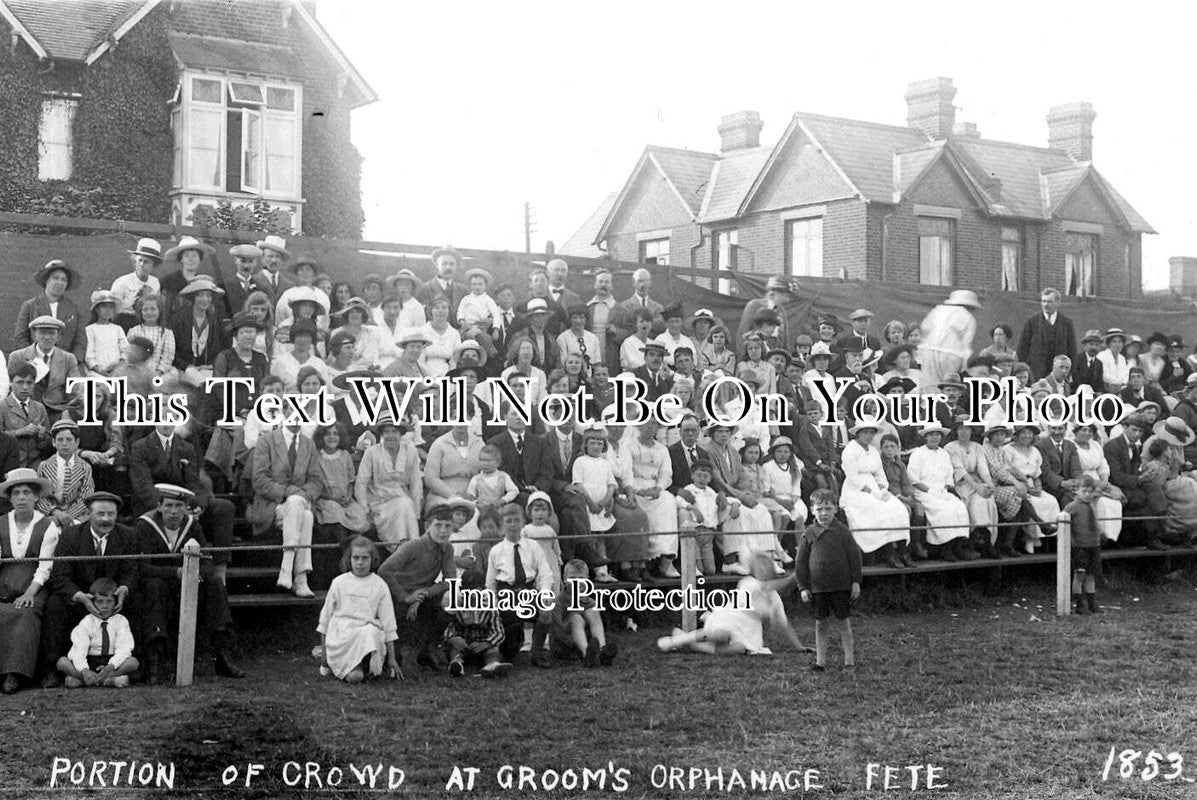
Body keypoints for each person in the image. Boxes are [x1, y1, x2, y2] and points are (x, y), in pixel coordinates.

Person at [134, 484, 242, 684]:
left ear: (185, 507)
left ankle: (221, 656)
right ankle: (154, 663)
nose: (174, 512)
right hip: (159, 585)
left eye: (178, 506)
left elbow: (206, 560)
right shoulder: (145, 525)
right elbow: (142, 567)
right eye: (168, 506)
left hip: (186, 583)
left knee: (215, 582)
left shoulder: (191, 524)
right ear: (159, 506)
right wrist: (175, 572)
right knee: (154, 587)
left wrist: (197, 573)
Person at [39, 491, 138, 688]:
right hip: (80, 599)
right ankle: (52, 669)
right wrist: (79, 596)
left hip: (114, 600)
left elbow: (132, 571)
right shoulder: (70, 536)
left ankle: (139, 666)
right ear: (88, 514)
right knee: (54, 603)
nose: (106, 519)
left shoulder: (128, 535)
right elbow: (60, 576)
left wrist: (124, 590)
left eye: (111, 514)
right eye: (100, 514)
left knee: (141, 598)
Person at [657, 552, 810, 656]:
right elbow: (767, 587)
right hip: (730, 617)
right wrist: (791, 579)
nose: (763, 570)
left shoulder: (775, 598)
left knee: (740, 648)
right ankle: (676, 641)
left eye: (766, 566)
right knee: (722, 635)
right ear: (753, 570)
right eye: (759, 566)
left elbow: (784, 625)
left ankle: (693, 644)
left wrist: (799, 647)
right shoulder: (748, 582)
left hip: (749, 629)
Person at [377, 504, 457, 680]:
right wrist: (406, 597)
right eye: (438, 525)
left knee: (453, 600)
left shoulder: (447, 548)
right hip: (397, 597)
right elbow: (384, 571)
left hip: (421, 597)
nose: (443, 531)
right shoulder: (413, 546)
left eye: (448, 526)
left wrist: (423, 595)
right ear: (427, 526)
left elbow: (451, 581)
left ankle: (428, 649)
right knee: (393, 658)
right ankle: (396, 654)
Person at [0, 468, 60, 694]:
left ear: (36, 497)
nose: (22, 498)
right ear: (10, 497)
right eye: (16, 493)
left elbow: (45, 567)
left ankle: (14, 674)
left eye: (26, 492)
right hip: (4, 582)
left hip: (33, 585)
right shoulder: (0, 523)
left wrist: (29, 593)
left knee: (25, 612)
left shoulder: (48, 526)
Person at [249, 421, 323, 597]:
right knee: (307, 517)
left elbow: (316, 481)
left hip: (299, 501)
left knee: (298, 504)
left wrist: (302, 494)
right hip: (272, 504)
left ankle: (287, 568)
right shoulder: (266, 441)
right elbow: (259, 480)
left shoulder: (308, 444)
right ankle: (301, 578)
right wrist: (288, 492)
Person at [318, 536, 399, 683]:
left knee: (372, 631)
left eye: (365, 558)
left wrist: (392, 658)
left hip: (365, 632)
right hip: (342, 635)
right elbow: (325, 620)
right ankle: (353, 667)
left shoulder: (379, 585)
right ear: (349, 559)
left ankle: (366, 664)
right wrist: (324, 655)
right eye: (356, 558)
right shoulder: (339, 582)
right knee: (355, 677)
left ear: (372, 560)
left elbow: (388, 622)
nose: (360, 563)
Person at [796, 489, 861, 671]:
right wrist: (803, 587)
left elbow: (854, 557)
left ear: (835, 509)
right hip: (818, 588)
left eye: (828, 508)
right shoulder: (809, 533)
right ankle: (820, 662)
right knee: (820, 623)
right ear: (812, 510)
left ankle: (849, 661)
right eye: (819, 509)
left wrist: (855, 581)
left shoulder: (842, 532)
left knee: (843, 622)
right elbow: (800, 562)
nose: (824, 513)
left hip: (841, 586)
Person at [484, 503, 554, 666]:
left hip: (528, 590)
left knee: (546, 610)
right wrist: (492, 606)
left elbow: (545, 573)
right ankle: (509, 650)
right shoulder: (497, 551)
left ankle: (537, 653)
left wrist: (544, 594)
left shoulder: (533, 546)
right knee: (510, 649)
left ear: (523, 522)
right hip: (506, 593)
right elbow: (490, 583)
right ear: (502, 525)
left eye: (516, 520)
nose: (513, 525)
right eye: (509, 521)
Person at [839, 420, 911, 559]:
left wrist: (883, 489)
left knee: (898, 507)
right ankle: (889, 554)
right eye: (865, 432)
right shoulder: (850, 450)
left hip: (875, 487)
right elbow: (853, 479)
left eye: (871, 432)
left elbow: (880, 474)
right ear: (858, 434)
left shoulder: (873, 450)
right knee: (879, 510)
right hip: (855, 491)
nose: (869, 435)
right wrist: (872, 493)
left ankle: (902, 552)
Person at [907, 424, 975, 561]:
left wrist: (945, 488)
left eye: (937, 434)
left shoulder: (944, 453)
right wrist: (930, 491)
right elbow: (913, 478)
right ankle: (946, 549)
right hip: (924, 492)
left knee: (959, 507)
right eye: (931, 434)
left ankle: (957, 546)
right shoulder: (918, 453)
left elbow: (949, 475)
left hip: (942, 491)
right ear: (925, 437)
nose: (934, 437)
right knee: (944, 510)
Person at [56, 577, 137, 689]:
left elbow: (124, 647)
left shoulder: (121, 621)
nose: (104, 606)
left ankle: (96, 679)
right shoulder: (87, 622)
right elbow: (79, 649)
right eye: (100, 601)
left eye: (109, 601)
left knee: (133, 662)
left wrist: (111, 666)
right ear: (92, 602)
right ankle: (95, 679)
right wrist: (84, 670)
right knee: (62, 662)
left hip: (111, 662)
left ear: (116, 602)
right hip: (89, 662)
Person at [355, 414, 422, 548]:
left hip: (403, 498)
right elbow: (361, 482)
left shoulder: (411, 452)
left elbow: (416, 481)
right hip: (379, 502)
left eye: (394, 431)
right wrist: (364, 507)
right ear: (382, 434)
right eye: (387, 432)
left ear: (401, 433)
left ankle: (410, 548)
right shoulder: (372, 452)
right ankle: (402, 548)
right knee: (404, 505)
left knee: (406, 505)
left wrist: (417, 509)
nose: (391, 435)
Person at [8, 315, 82, 420]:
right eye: (42, 332)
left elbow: (75, 390)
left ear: (58, 336)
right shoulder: (17, 357)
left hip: (57, 412)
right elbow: (12, 388)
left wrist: (68, 413)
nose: (47, 337)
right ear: (34, 335)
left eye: (52, 333)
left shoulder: (68, 359)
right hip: (27, 411)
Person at [14, 260, 86, 364]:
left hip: (65, 365)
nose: (60, 283)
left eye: (64, 280)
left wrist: (72, 362)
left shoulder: (74, 308)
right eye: (55, 278)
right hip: (34, 366)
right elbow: (20, 337)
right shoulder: (30, 306)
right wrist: (34, 361)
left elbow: (81, 340)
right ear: (46, 280)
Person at [944, 424, 1000, 558]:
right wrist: (977, 487)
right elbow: (960, 470)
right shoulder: (950, 447)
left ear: (972, 431)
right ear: (956, 431)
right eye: (960, 429)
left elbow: (982, 467)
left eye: (967, 428)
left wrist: (989, 484)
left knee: (986, 501)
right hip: (961, 484)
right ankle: (970, 542)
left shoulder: (977, 447)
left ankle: (987, 542)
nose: (964, 432)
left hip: (977, 482)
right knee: (975, 504)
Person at [443, 569, 510, 678]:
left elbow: (498, 631)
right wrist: (453, 638)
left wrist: (486, 643)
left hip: (483, 644)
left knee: (494, 649)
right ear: (462, 590)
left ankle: (491, 666)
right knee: (454, 648)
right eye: (467, 591)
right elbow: (448, 627)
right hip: (463, 643)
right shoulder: (455, 605)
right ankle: (456, 665)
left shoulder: (489, 606)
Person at [549, 559, 616, 667]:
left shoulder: (590, 601)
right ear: (564, 578)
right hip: (564, 644)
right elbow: (556, 629)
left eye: (581, 578)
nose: (577, 582)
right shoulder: (559, 601)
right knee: (576, 617)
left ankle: (602, 651)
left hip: (584, 640)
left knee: (592, 611)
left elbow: (596, 624)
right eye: (572, 578)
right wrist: (570, 643)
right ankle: (588, 656)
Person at [312, 424, 370, 537]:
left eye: (335, 434)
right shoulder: (317, 457)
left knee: (360, 515)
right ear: (320, 437)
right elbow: (316, 486)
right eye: (327, 434)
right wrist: (333, 498)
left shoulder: (345, 455)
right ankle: (342, 547)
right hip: (326, 500)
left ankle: (354, 546)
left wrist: (348, 497)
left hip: (345, 500)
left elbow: (350, 481)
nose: (332, 437)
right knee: (335, 512)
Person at [36, 418, 94, 527]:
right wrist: (56, 513)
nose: (64, 444)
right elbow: (40, 496)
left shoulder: (85, 467)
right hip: (51, 514)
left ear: (77, 442)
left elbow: (86, 495)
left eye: (69, 439)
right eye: (60, 440)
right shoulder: (44, 466)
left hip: (77, 515)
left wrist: (68, 515)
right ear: (53, 442)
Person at [1072, 422, 1124, 542]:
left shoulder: (1095, 445)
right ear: (1076, 431)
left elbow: (1103, 466)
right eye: (1083, 430)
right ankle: (1099, 536)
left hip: (1100, 480)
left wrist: (1104, 482)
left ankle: (1111, 537)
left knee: (1115, 502)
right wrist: (1097, 485)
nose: (1087, 433)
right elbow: (1076, 470)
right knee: (1103, 503)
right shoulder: (1071, 445)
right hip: (1082, 482)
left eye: (1090, 431)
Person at [917, 289, 980, 388]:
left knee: (929, 385)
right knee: (948, 385)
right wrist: (964, 366)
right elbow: (966, 345)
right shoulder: (968, 317)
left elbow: (924, 328)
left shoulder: (938, 310)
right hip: (952, 355)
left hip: (929, 352)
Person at [170, 278, 226, 387]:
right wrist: (187, 366)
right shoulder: (179, 319)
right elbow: (172, 350)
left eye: (208, 295)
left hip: (207, 368)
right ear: (193, 297)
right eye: (200, 295)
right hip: (183, 369)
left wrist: (210, 365)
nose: (204, 299)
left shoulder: (215, 321)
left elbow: (221, 348)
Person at [1016, 288, 1076, 381]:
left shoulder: (1066, 323)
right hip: (1036, 374)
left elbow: (1072, 350)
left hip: (1058, 375)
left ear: (1058, 303)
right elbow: (1022, 349)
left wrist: (1070, 372)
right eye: (1043, 301)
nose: (1045, 305)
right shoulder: (1032, 322)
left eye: (1049, 302)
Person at [1065, 476, 1103, 615]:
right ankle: (1079, 603)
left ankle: (1092, 603)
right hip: (1079, 546)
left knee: (1091, 575)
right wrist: (1071, 541)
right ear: (1076, 490)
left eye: (1090, 491)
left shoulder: (1093, 505)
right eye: (1084, 491)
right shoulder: (1072, 507)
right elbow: (1062, 522)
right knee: (1079, 574)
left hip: (1093, 545)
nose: (1087, 494)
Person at [0, 364, 50, 469]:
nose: (25, 387)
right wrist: (19, 432)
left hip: (36, 464)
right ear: (11, 383)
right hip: (10, 465)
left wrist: (42, 436)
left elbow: (49, 442)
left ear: (34, 385)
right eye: (20, 382)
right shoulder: (2, 407)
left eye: (29, 383)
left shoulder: (40, 407)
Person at [110, 238, 163, 330]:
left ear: (153, 265)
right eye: (140, 260)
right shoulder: (122, 282)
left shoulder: (155, 283)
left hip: (147, 323)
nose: (142, 265)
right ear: (135, 261)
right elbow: (114, 311)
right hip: (124, 323)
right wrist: (139, 299)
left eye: (146, 262)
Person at [737, 275, 796, 348]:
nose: (787, 300)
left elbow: (785, 341)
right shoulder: (754, 306)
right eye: (785, 295)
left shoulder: (782, 312)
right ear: (774, 293)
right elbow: (743, 335)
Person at [610, 268, 665, 341]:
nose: (642, 285)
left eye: (645, 281)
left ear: (650, 283)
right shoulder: (624, 306)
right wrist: (651, 323)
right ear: (633, 282)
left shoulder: (658, 308)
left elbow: (662, 326)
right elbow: (621, 331)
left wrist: (635, 322)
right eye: (639, 281)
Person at [415, 245, 470, 317]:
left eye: (452, 264)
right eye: (444, 263)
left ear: (456, 266)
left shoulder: (463, 291)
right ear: (437, 265)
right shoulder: (425, 289)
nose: (448, 267)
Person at [251, 235, 295, 305]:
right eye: (270, 256)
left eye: (277, 256)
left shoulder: (289, 285)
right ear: (262, 258)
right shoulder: (253, 281)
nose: (274, 260)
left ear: (282, 260)